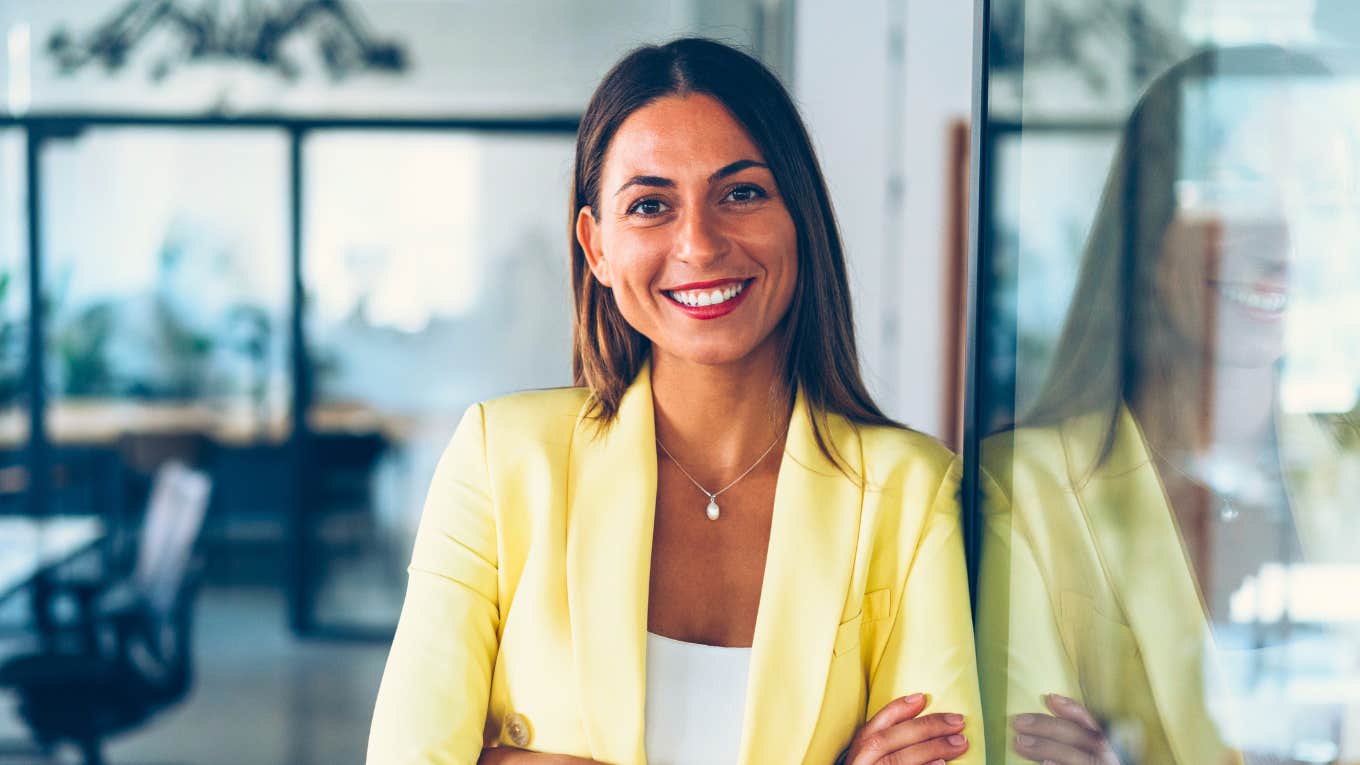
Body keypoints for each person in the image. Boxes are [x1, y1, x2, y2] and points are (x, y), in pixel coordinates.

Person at [367, 38, 983, 765]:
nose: (698, 243)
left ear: (801, 217)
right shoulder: (500, 462)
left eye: (742, 193)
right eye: (651, 205)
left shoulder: (909, 491)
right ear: (597, 248)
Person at [976, 45, 1360, 765]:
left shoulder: (1347, 480)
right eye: (1237, 185)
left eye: (1320, 196)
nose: (1281, 240)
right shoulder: (1024, 493)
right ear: (1149, 222)